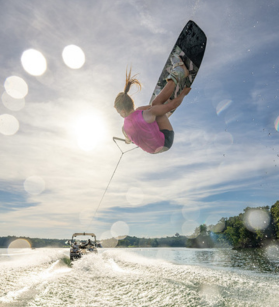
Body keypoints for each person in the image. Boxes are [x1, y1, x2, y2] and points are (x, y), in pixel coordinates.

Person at [114, 55, 191, 154]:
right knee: (156, 104)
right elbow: (172, 106)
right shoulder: (147, 114)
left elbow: (128, 139)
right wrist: (183, 93)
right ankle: (179, 71)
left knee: (149, 109)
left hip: (153, 150)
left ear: (123, 111)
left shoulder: (125, 129)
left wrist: (128, 141)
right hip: (166, 141)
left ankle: (161, 106)